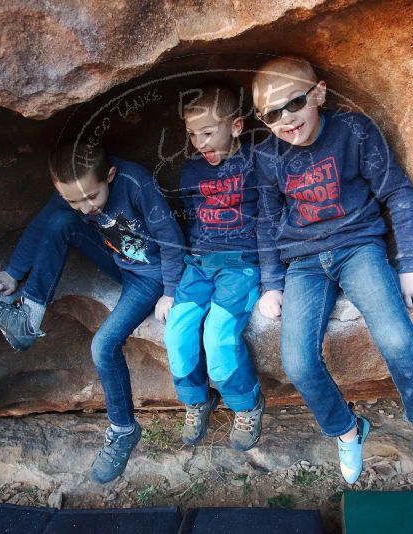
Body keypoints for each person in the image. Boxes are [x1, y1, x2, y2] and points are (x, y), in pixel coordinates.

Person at [252, 57, 413, 485]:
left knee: (396, 337)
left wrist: (412, 262)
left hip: (358, 247)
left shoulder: (355, 131)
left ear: (319, 93)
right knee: (297, 362)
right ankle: (347, 429)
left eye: (294, 104)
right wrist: (271, 283)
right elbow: (267, 222)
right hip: (303, 263)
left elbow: (397, 192)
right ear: (260, 119)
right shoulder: (267, 157)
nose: (286, 120)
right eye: (272, 114)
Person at [0, 141, 184, 482]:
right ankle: (28, 318)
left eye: (92, 198)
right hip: (119, 260)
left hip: (151, 277)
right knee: (59, 221)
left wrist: (172, 291)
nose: (85, 208)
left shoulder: (134, 182)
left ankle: (123, 429)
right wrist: (13, 273)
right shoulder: (75, 195)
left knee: (103, 346)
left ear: (110, 175)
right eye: (74, 200)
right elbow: (44, 223)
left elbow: (170, 236)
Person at [163, 84, 265, 451]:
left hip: (241, 265)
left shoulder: (257, 162)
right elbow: (191, 219)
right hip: (199, 264)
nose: (200, 143)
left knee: (218, 335)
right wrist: (178, 279)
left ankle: (246, 403)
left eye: (208, 133)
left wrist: (271, 277)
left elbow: (271, 217)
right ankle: (196, 399)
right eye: (192, 134)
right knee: (176, 332)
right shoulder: (192, 171)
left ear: (236, 126)